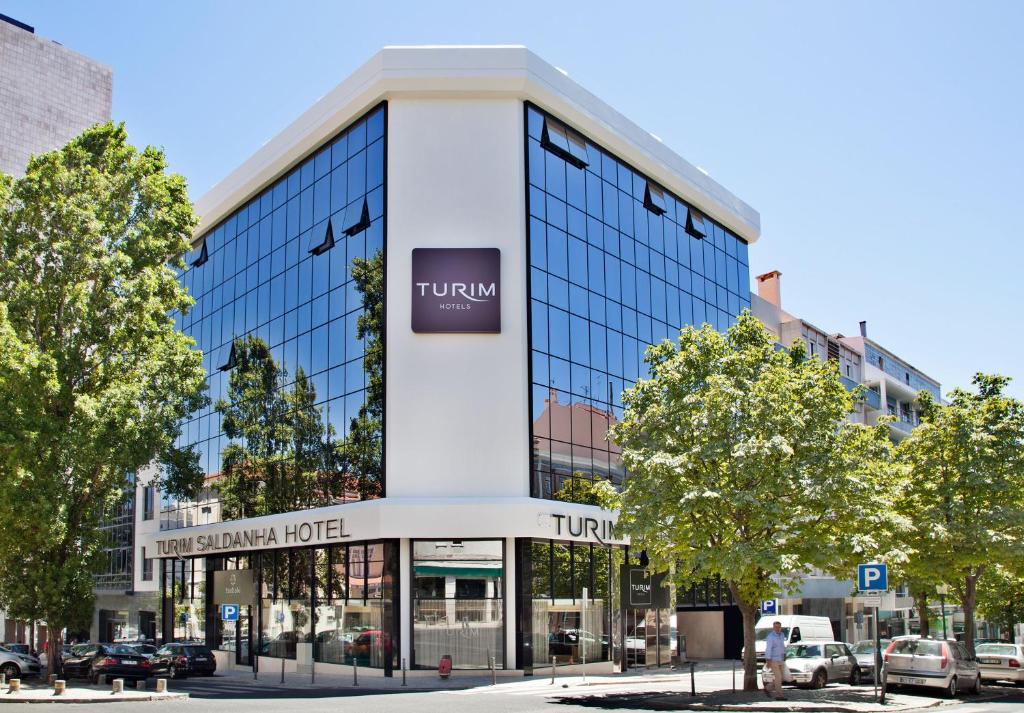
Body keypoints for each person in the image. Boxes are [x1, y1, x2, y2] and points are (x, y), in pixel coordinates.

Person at [763, 620, 788, 700]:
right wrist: (768, 660)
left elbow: (782, 646)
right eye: (776, 627)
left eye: (779, 627)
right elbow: (768, 649)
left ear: (781, 627)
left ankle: (768, 688)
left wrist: (784, 655)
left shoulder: (782, 635)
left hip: (781, 659)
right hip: (773, 659)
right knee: (778, 677)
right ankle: (779, 695)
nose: (777, 628)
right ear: (773, 627)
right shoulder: (770, 637)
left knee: (781, 677)